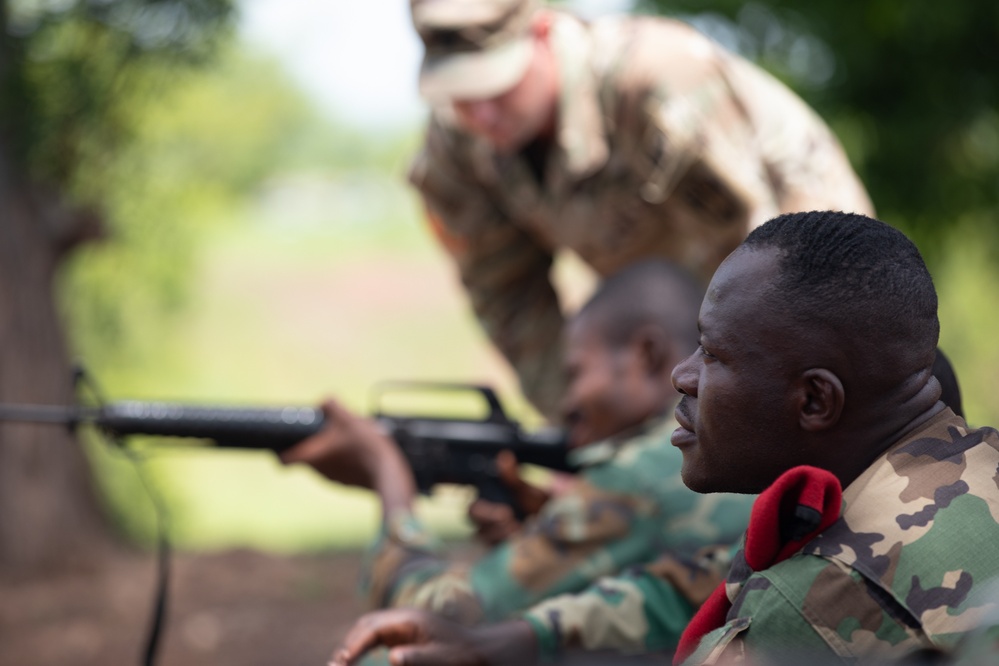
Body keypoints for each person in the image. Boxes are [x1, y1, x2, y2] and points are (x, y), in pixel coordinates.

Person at [331, 210, 999, 666]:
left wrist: (388, 481)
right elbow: (699, 579)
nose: (683, 376)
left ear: (814, 399)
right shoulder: (974, 457)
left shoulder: (812, 598)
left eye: (711, 355)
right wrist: (506, 641)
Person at [408, 0, 876, 420]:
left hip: (816, 288)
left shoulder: (656, 80)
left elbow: (758, 256)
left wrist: (730, 410)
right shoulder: (455, 151)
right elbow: (509, 299)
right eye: (462, 95)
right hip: (672, 319)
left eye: (498, 86)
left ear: (543, 32)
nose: (482, 115)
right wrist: (587, 420)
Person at [281, 260, 752, 626]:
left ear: (646, 356)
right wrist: (538, 524)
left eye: (576, 373)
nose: (567, 403)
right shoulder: (730, 451)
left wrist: (386, 476)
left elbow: (439, 615)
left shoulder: (637, 474)